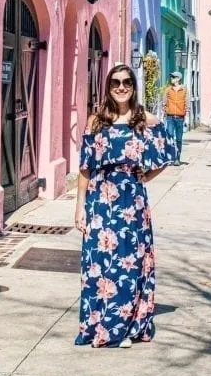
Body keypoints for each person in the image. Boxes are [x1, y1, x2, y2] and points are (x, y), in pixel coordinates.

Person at [74, 63, 177, 347]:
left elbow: (169, 151)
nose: (121, 87)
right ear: (108, 87)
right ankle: (101, 326)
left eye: (127, 83)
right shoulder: (97, 121)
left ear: (133, 87)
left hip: (132, 201)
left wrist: (148, 174)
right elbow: (85, 167)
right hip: (100, 198)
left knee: (130, 263)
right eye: (115, 83)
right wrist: (79, 207)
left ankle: (128, 326)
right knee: (99, 263)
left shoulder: (145, 120)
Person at [163, 71, 188, 162]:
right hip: (170, 118)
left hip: (180, 118)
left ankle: (177, 158)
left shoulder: (184, 90)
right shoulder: (168, 90)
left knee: (178, 139)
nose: (171, 79)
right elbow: (164, 103)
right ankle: (170, 157)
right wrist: (164, 114)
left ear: (178, 79)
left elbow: (187, 104)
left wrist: (186, 119)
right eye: (171, 77)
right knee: (169, 137)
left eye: (173, 77)